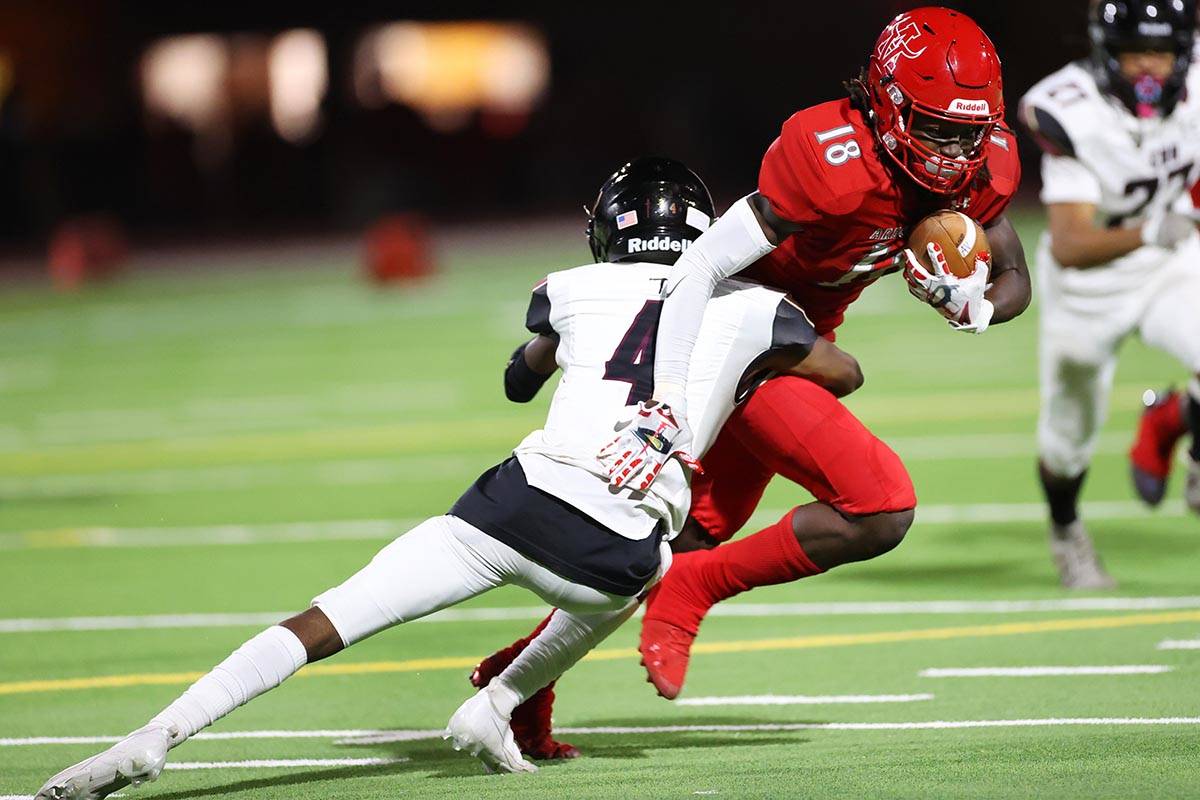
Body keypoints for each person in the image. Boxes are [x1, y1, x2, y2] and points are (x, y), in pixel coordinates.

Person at [34, 157, 862, 799]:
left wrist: (548, 356)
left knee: (326, 619)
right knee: (646, 562)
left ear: (606, 229)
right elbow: (843, 373)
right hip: (614, 558)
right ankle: (497, 701)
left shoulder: (570, 289)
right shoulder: (758, 310)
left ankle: (157, 734)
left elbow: (519, 376)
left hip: (513, 506)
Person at [475, 6, 1031, 752]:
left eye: (972, 130)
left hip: (795, 341)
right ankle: (697, 593)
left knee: (680, 536)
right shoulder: (832, 157)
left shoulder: (982, 159)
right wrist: (672, 392)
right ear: (888, 104)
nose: (960, 151)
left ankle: (523, 685)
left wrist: (979, 309)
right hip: (742, 338)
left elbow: (1016, 274)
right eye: (939, 128)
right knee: (880, 505)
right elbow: (702, 267)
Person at [1019, 0, 1200, 590]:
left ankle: (1177, 423)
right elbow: (1070, 243)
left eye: (1162, 52)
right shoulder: (1072, 109)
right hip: (1087, 287)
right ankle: (1066, 530)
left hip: (1168, 260)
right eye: (1134, 53)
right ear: (1105, 53)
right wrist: (1150, 229)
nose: (1149, 67)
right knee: (1067, 440)